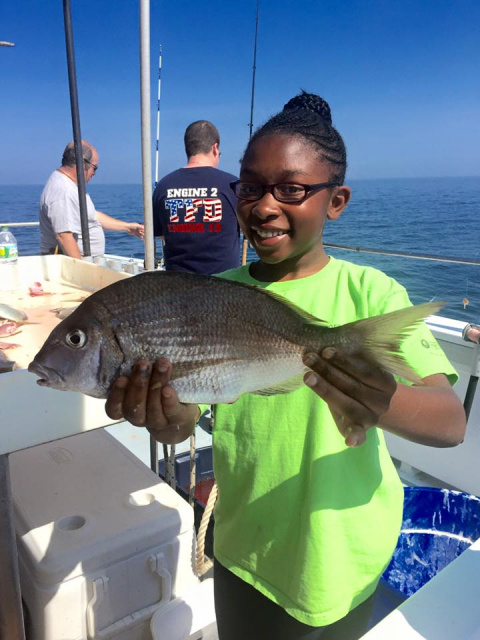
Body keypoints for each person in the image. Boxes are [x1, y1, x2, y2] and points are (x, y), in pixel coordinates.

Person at [104, 92, 466, 639]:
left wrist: (379, 399)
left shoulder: (372, 293)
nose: (264, 205)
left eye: (292, 189)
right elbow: (184, 420)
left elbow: (449, 423)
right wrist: (163, 414)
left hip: (345, 555)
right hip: (245, 546)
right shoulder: (213, 295)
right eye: (249, 187)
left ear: (336, 200)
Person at [152, 120, 240, 275]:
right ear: (215, 148)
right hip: (225, 286)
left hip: (178, 285)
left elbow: (160, 233)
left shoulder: (163, 186)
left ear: (187, 148)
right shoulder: (232, 185)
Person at [39, 140, 144, 258]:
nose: (94, 173)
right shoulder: (63, 190)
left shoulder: (71, 186)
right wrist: (83, 269)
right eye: (95, 167)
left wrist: (128, 228)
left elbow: (92, 216)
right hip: (72, 267)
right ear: (83, 163)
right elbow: (64, 236)